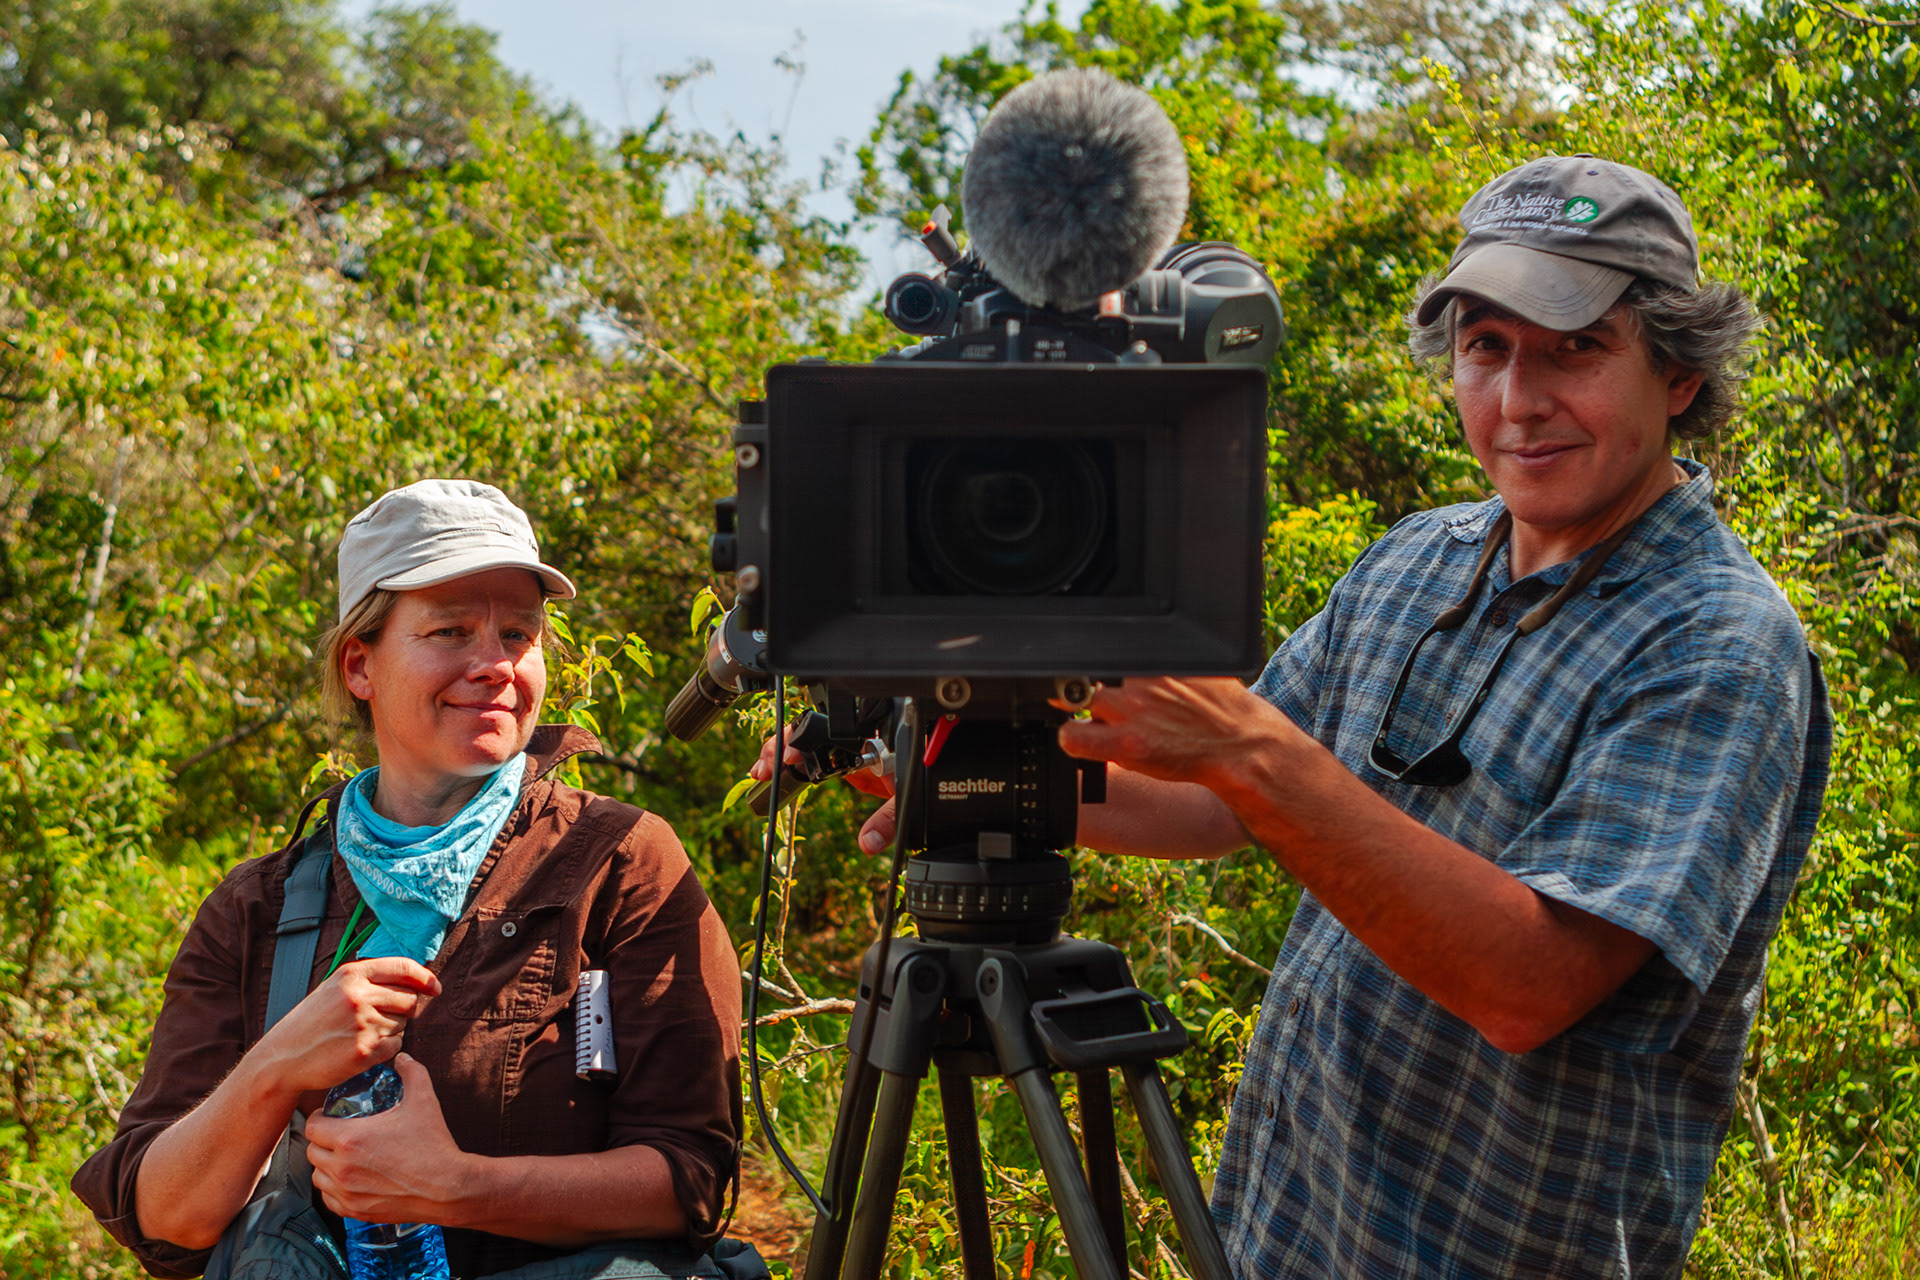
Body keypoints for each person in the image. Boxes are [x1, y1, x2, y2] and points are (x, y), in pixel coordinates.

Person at [783, 156, 1832, 1277]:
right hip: (1284, 1226)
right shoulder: (1417, 561)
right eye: (1486, 346)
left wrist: (1251, 747)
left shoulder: (1717, 638)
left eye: (1576, 348)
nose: (1520, 399)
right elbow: (1209, 801)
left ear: (1678, 371)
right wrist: (964, 770)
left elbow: (1530, 985)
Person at [75, 479, 744, 1279]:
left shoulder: (621, 860)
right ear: (360, 665)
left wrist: (456, 1189)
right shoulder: (256, 908)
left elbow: (692, 1181)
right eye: (451, 631)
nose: (494, 665)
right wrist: (273, 1070)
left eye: (518, 635)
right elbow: (166, 1219)